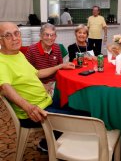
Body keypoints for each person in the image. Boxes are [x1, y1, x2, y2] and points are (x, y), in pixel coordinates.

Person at [0, 22, 90, 151]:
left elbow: (37, 73)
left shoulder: (17, 54)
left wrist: (60, 66)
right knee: (87, 118)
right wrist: (29, 108)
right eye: (8, 35)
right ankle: (61, 147)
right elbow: (5, 88)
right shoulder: (2, 62)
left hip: (46, 100)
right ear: (1, 40)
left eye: (16, 33)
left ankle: (51, 141)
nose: (15, 38)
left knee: (81, 103)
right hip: (36, 112)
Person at [25, 23, 64, 89]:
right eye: (46, 35)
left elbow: (60, 67)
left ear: (55, 36)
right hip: (38, 84)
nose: (50, 38)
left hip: (55, 83)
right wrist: (43, 86)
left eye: (52, 35)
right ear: (40, 36)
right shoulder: (31, 50)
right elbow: (27, 74)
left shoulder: (57, 47)